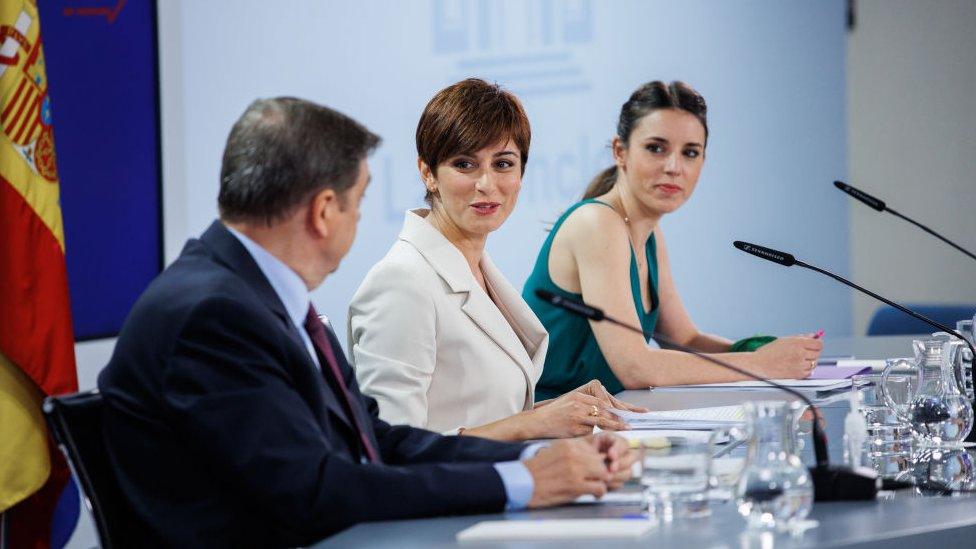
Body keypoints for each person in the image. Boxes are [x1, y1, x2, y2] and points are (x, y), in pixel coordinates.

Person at [97, 97, 633, 547]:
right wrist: (518, 482)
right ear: (324, 211)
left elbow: (375, 438)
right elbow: (315, 491)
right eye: (359, 204)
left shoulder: (248, 295)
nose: (359, 222)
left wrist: (537, 455)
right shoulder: (213, 316)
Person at [348, 79, 645, 442]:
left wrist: (557, 410)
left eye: (503, 163)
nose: (487, 183)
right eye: (465, 164)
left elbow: (479, 413)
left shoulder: (475, 265)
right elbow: (393, 447)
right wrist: (531, 424)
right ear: (428, 173)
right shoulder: (401, 281)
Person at [522, 81, 824, 400]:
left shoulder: (649, 234)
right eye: (656, 148)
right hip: (552, 432)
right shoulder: (597, 223)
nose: (674, 167)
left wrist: (764, 351)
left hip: (604, 423)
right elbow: (635, 367)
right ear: (620, 152)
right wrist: (759, 365)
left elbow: (686, 341)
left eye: (690, 153)